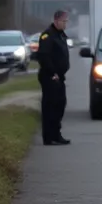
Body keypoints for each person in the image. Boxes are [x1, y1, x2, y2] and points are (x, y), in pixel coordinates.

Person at [36, 10, 71, 145]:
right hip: (50, 76)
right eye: (64, 21)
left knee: (60, 104)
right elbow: (43, 56)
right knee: (50, 106)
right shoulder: (47, 35)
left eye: (66, 21)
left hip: (59, 77)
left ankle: (56, 133)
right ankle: (48, 136)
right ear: (56, 21)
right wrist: (52, 73)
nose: (65, 24)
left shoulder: (60, 35)